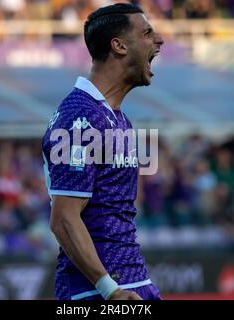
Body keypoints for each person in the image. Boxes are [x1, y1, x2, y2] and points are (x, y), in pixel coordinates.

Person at [42, 3, 164, 300]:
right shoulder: (79, 118)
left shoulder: (116, 117)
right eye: (147, 33)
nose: (158, 40)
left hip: (133, 281)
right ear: (119, 46)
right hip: (95, 292)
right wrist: (109, 289)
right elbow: (64, 219)